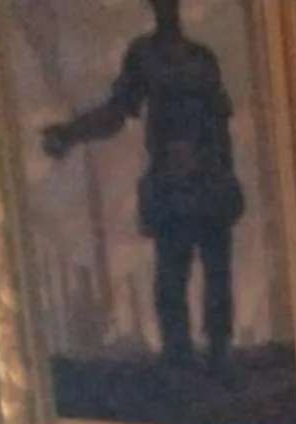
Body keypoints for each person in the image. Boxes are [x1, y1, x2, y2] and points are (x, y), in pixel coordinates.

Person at [42, 0, 245, 379]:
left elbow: (221, 122)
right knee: (171, 276)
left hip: (210, 181)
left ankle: (218, 356)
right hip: (170, 184)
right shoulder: (144, 55)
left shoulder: (203, 59)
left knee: (216, 275)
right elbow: (117, 113)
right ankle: (178, 360)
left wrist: (223, 177)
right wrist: (71, 133)